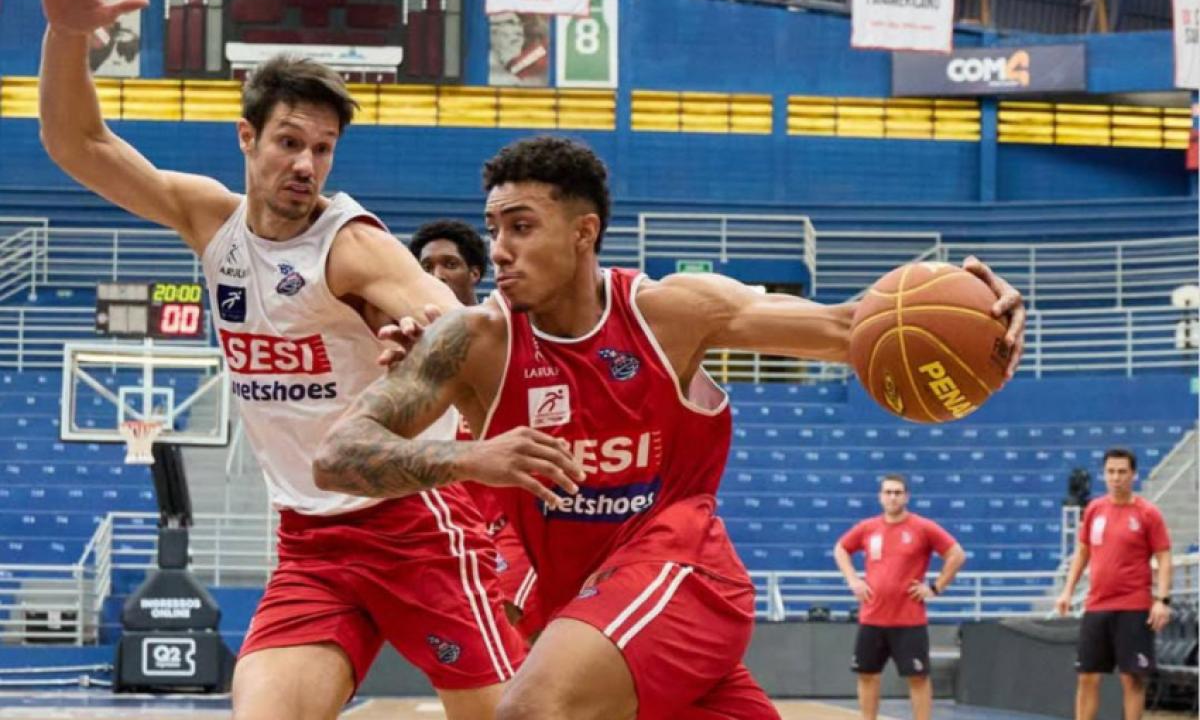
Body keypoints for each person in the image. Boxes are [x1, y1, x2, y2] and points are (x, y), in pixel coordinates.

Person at [311, 135, 1026, 719]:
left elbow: (853, 326)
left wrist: (983, 319)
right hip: (587, 608)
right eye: (494, 227)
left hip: (681, 573)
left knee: (530, 712)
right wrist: (472, 460)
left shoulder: (670, 314)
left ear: (584, 231)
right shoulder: (471, 341)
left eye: (521, 226)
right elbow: (339, 455)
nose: (498, 248)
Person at [35, 0, 536, 719]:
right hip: (310, 538)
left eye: (323, 149)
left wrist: (422, 343)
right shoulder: (211, 222)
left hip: (416, 525)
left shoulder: (351, 244)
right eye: (289, 142)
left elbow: (457, 327)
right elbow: (80, 144)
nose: (305, 164)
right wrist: (67, 34)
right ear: (249, 139)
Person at [409, 219, 542, 634]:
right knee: (486, 655)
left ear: (475, 274)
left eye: (449, 263)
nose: (437, 274)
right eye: (426, 265)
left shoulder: (508, 334)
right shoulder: (406, 347)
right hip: (447, 534)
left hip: (515, 528)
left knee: (501, 624)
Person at [833, 474, 967, 720]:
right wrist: (853, 579)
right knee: (867, 674)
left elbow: (956, 554)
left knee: (917, 678)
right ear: (880, 496)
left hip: (909, 620)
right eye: (888, 492)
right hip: (872, 617)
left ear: (906, 496)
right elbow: (841, 548)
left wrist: (935, 587)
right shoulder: (868, 528)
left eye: (897, 492)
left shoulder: (923, 527)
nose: (892, 497)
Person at [1055, 448, 1173, 720]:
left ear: (1133, 474)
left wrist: (1162, 600)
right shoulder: (1095, 509)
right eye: (1110, 472)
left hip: (1133, 606)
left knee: (1132, 679)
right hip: (1097, 606)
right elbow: (1083, 552)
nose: (1116, 477)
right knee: (1086, 677)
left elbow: (1164, 557)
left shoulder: (1147, 513)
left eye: (1122, 472)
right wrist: (1067, 591)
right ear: (1104, 474)